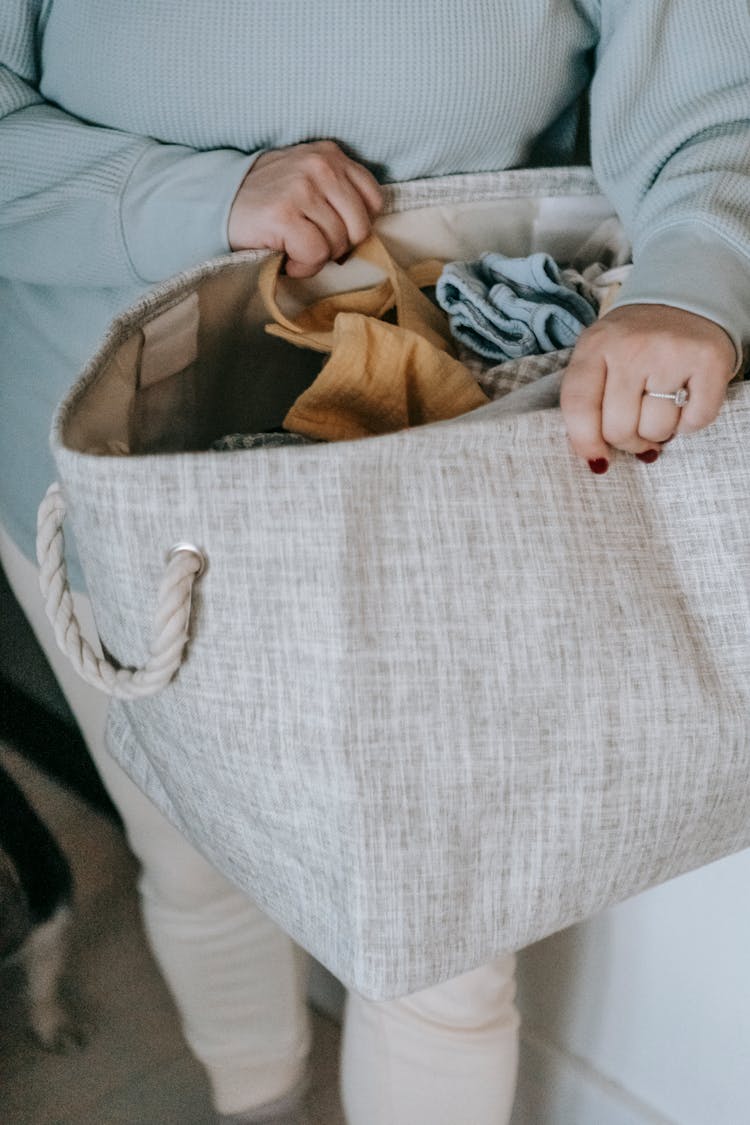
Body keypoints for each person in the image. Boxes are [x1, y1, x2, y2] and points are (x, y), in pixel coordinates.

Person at [1, 2, 748, 1122]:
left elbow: (715, 104)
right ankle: (258, 1103)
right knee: (198, 863)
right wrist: (203, 196)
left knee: (451, 942)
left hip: (433, 482)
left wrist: (692, 286)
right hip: (110, 487)